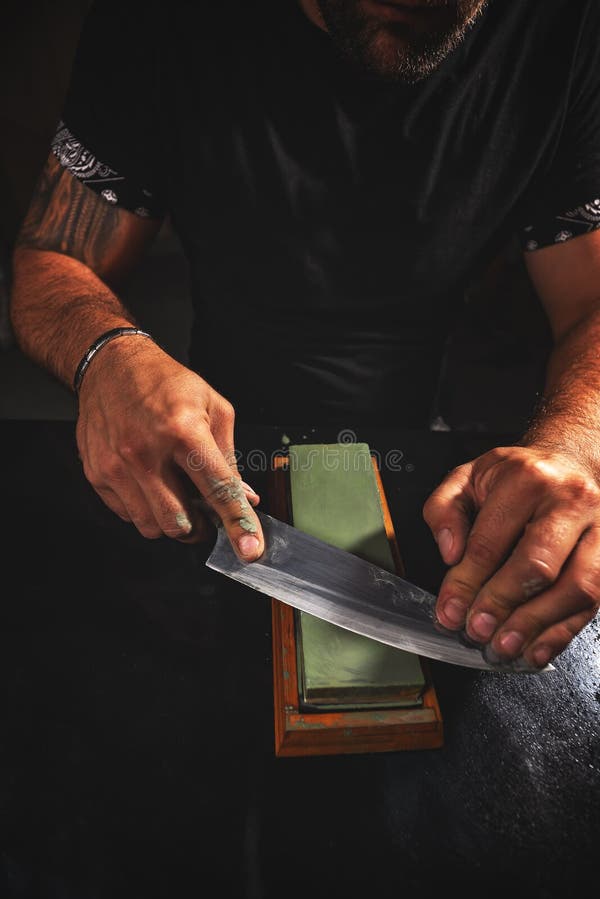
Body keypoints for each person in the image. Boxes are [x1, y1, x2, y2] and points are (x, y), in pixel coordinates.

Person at [8, 0, 600, 671]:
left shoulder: (564, 26)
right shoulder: (158, 18)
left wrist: (578, 444)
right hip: (201, 464)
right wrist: (106, 355)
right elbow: (51, 257)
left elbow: (591, 302)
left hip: (428, 468)